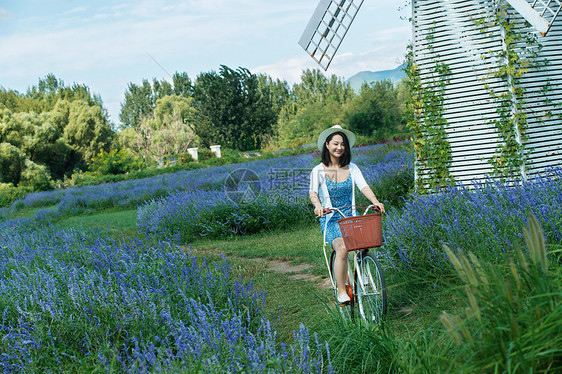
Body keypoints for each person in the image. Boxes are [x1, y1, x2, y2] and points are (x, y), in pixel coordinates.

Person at [309, 125, 385, 304]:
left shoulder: (352, 168)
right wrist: (318, 205)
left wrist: (375, 201)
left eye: (342, 144)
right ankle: (342, 291)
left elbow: (363, 186)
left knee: (365, 243)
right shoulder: (318, 170)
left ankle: (362, 271)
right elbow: (313, 192)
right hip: (331, 218)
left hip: (351, 216)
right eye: (335, 143)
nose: (339, 147)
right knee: (342, 248)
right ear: (327, 145)